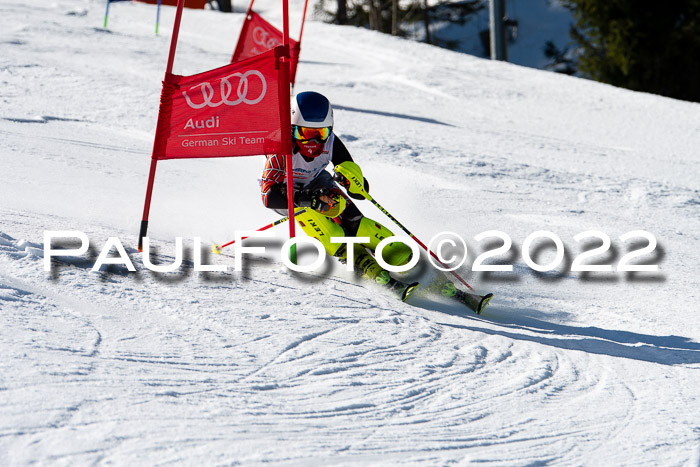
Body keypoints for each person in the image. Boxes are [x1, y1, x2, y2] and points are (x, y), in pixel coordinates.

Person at [260, 91, 419, 301]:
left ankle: (403, 258)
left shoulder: (331, 143)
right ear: (292, 129)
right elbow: (268, 196)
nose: (314, 141)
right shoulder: (279, 147)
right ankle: (358, 259)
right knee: (329, 229)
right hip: (288, 193)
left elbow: (360, 191)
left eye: (321, 133)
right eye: (306, 133)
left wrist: (353, 181)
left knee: (353, 221)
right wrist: (307, 199)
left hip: (319, 183)